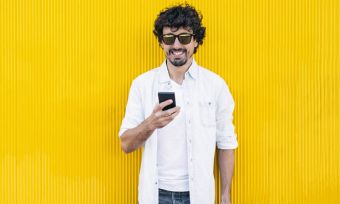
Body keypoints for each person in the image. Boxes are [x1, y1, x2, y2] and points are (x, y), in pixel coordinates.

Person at [119, 4, 238, 204]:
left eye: (184, 38)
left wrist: (225, 195)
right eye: (169, 39)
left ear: (196, 41)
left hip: (199, 195)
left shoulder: (215, 85)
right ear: (161, 42)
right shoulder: (142, 85)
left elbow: (226, 142)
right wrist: (151, 124)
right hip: (155, 195)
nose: (176, 46)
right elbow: (126, 144)